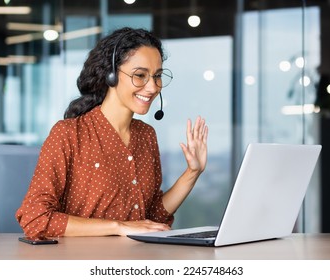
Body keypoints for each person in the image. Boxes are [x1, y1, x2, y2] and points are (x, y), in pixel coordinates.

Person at [15, 27, 208, 238]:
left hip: (134, 262)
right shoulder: (68, 134)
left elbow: (152, 217)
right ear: (111, 75)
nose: (152, 87)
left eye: (157, 76)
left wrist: (192, 172)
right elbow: (35, 218)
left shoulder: (146, 136)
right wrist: (118, 226)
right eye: (140, 75)